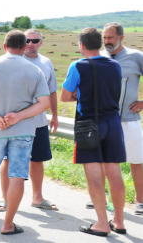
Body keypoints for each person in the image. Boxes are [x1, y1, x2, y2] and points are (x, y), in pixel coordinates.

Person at [0, 30, 51, 235]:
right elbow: (44, 103)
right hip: (23, 132)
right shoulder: (34, 71)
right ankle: (8, 224)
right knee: (17, 176)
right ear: (24, 48)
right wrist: (19, 116)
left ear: (4, 46)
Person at [60, 27, 126, 236]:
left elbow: (64, 96)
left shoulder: (78, 65)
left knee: (94, 176)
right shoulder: (115, 65)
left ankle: (101, 223)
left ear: (81, 45)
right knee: (115, 173)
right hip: (114, 123)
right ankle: (120, 220)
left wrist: (80, 96)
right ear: (99, 43)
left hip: (89, 124)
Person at [0, 29, 59, 212]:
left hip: (38, 121)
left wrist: (54, 115)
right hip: (15, 122)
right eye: (28, 41)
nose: (31, 44)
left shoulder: (46, 63)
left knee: (37, 160)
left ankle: (37, 197)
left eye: (35, 40)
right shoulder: (12, 61)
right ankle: (4, 198)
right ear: (23, 44)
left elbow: (52, 91)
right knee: (7, 159)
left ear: (41, 42)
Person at [102, 22, 143, 215]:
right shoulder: (98, 56)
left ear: (121, 37)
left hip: (129, 119)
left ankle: (140, 202)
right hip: (103, 120)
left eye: (110, 37)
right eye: (104, 37)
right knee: (103, 161)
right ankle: (101, 198)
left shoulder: (136, 56)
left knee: (137, 161)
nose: (106, 41)